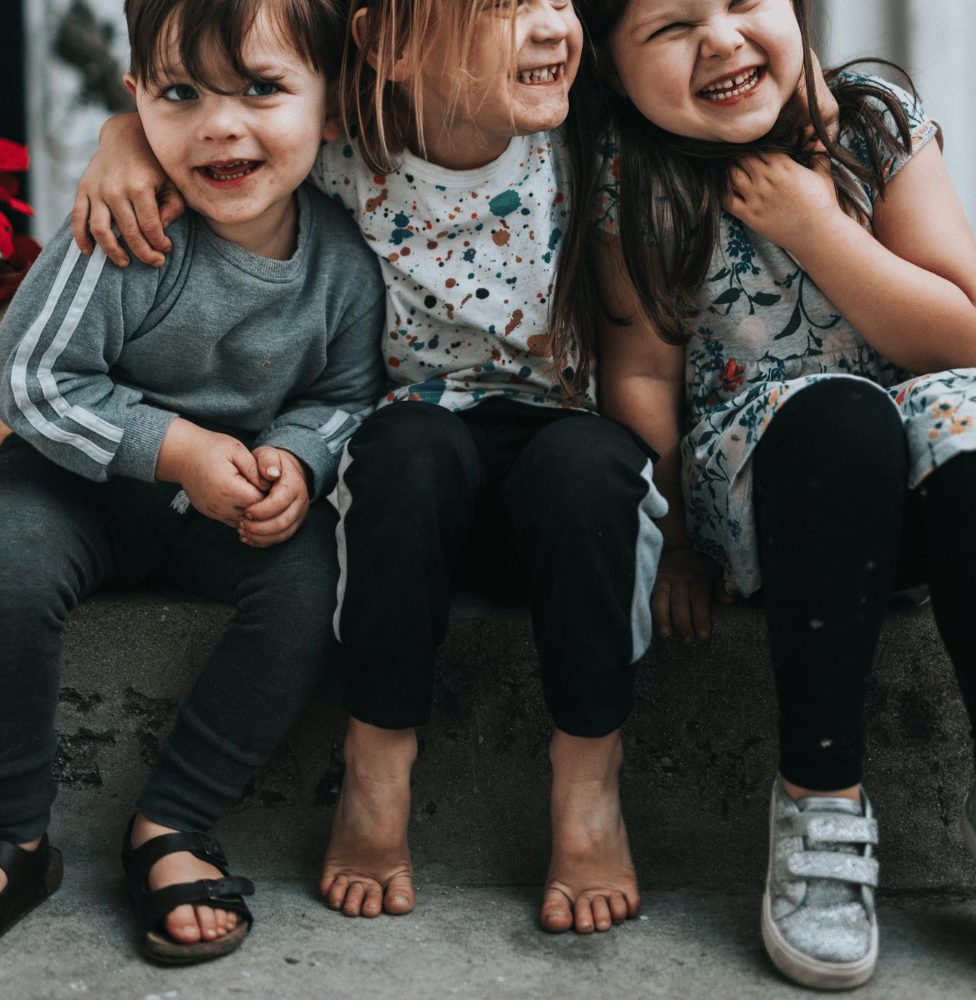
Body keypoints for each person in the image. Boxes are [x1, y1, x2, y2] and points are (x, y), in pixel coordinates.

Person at [75, 0, 670, 936]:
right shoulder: (353, 152)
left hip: (560, 490)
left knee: (591, 466)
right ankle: (376, 767)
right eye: (508, 8)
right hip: (408, 497)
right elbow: (236, 119)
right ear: (386, 46)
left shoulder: (592, 138)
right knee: (407, 445)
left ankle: (588, 785)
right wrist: (125, 139)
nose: (553, 25)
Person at [577, 0, 976, 989]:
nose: (718, 38)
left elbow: (962, 332)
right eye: (669, 26)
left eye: (742, 1)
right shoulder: (634, 176)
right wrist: (665, 542)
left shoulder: (874, 121)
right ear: (613, 67)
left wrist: (813, 226)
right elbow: (637, 376)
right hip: (775, 493)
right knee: (842, 418)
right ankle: (820, 793)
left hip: (923, 481)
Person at [0, 0, 385, 963]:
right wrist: (174, 450)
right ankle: (10, 834)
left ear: (332, 111)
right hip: (76, 482)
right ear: (136, 104)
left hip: (230, 502)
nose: (219, 124)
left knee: (304, 587)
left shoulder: (343, 262)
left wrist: (298, 455)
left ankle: (171, 825)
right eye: (178, 93)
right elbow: (27, 377)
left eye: (263, 89)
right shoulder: (125, 225)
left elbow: (347, 391)